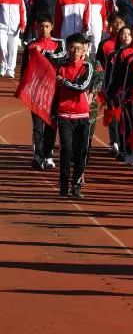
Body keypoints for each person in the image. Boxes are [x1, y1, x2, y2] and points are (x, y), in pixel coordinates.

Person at [22, 14, 65, 169]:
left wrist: (43, 52)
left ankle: (48, 155)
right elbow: (25, 69)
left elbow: (60, 60)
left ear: (52, 27)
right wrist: (24, 88)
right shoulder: (31, 45)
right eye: (41, 26)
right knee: (37, 125)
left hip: (54, 91)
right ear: (36, 27)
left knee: (52, 124)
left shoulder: (60, 44)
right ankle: (38, 155)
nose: (44, 29)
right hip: (36, 91)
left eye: (47, 26)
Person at [55, 33, 95, 198]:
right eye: (72, 47)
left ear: (83, 49)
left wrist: (63, 81)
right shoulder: (61, 67)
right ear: (67, 48)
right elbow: (54, 92)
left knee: (81, 152)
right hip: (64, 115)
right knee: (66, 150)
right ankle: (63, 186)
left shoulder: (87, 67)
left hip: (82, 116)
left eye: (78, 48)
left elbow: (81, 87)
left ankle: (76, 185)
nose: (75, 51)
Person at [0, 0, 26, 77]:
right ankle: (2, 66)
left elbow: (22, 11)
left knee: (13, 49)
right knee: (2, 47)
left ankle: (10, 69)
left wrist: (23, 25)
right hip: (2, 27)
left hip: (15, 28)